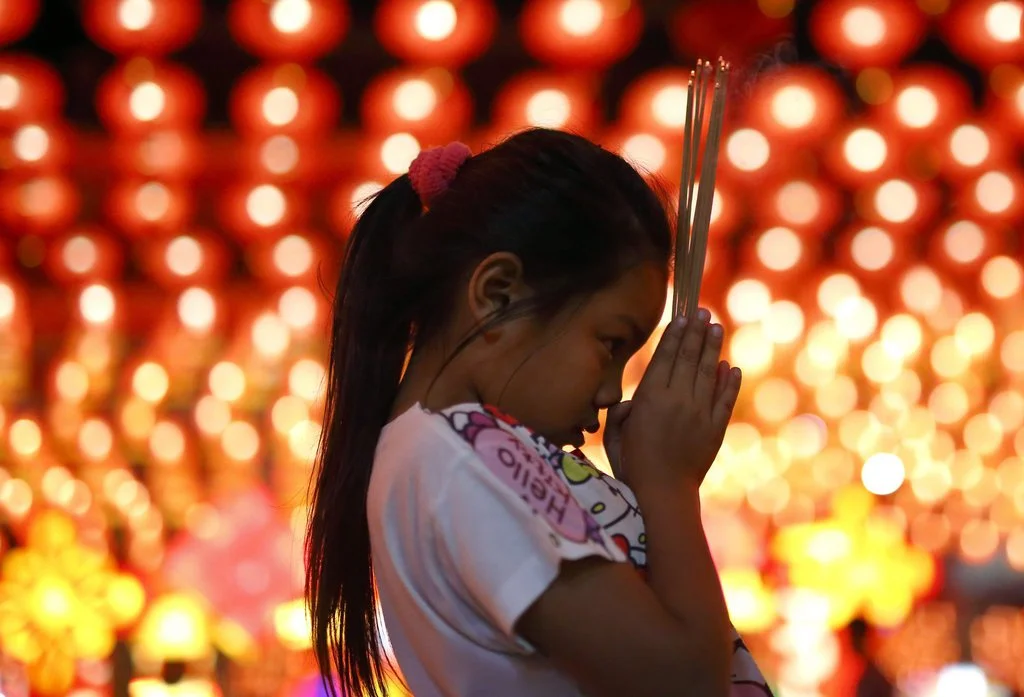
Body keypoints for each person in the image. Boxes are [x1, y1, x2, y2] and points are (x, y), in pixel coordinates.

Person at [305, 129, 773, 697]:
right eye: (609, 344)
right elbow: (684, 685)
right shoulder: (462, 457)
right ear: (498, 294)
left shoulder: (445, 454)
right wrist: (667, 484)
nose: (609, 395)